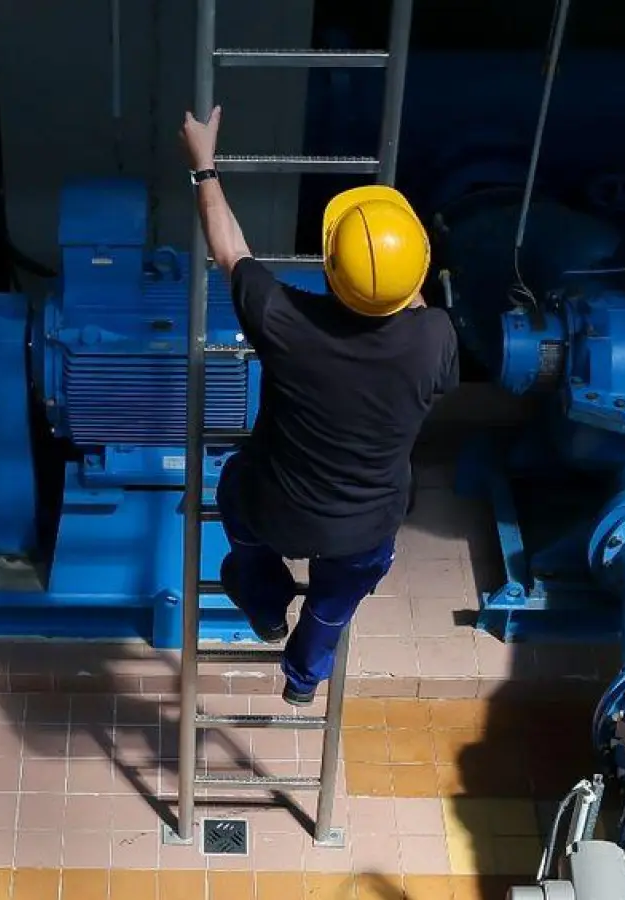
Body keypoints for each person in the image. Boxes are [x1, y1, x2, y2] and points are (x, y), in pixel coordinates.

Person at [179, 106, 459, 706]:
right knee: (340, 595)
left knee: (231, 488)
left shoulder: (285, 319)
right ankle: (305, 673)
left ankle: (264, 601)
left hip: (272, 510)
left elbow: (229, 249)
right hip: (365, 529)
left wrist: (204, 164)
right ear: (418, 280)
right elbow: (422, 336)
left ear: (330, 269)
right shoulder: (435, 338)